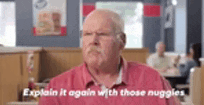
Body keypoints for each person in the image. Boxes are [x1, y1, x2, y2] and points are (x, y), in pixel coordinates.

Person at [39, 9, 180, 105]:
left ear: (122, 41)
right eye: (87, 34)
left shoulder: (153, 81)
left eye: (102, 34)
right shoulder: (57, 89)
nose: (93, 41)